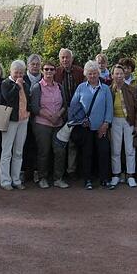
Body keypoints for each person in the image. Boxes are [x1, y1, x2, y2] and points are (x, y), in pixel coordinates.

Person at [69, 61, 112, 190]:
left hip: (101, 127)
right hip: (86, 127)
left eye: (94, 73)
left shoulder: (105, 89)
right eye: (90, 74)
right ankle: (87, 179)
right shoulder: (81, 87)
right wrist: (81, 120)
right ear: (86, 74)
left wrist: (105, 124)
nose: (92, 76)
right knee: (87, 154)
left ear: (99, 74)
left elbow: (109, 108)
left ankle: (104, 179)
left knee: (103, 152)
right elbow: (73, 107)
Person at [29, 59, 68, 189]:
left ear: (55, 71)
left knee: (59, 151)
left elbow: (65, 104)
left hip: (58, 124)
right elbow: (34, 107)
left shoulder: (60, 86)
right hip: (42, 124)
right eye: (46, 69)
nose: (49, 71)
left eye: (51, 69)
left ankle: (58, 178)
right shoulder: (37, 87)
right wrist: (50, 117)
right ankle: (43, 178)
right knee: (44, 152)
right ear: (42, 71)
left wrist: (58, 115)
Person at [0, 60, 31, 190]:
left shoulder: (26, 83)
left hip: (23, 119)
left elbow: (28, 98)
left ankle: (16, 179)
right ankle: (5, 180)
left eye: (21, 73)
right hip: (10, 120)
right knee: (7, 151)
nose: (18, 75)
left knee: (18, 151)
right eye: (16, 72)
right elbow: (8, 97)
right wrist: (17, 86)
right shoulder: (6, 83)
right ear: (10, 72)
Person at [54, 48, 85, 178]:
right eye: (63, 58)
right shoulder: (55, 72)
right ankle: (58, 171)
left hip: (76, 111)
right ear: (60, 59)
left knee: (73, 141)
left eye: (67, 57)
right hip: (60, 111)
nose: (65, 60)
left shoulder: (79, 71)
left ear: (72, 58)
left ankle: (71, 170)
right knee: (60, 141)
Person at [109, 64, 137, 188]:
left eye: (121, 74)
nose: (119, 76)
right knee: (116, 150)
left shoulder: (131, 89)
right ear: (112, 76)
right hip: (115, 121)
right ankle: (116, 175)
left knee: (130, 150)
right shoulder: (109, 90)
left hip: (129, 122)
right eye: (116, 74)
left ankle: (130, 175)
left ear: (124, 75)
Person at [22, 54, 43, 183]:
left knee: (38, 145)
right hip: (24, 117)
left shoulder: (45, 79)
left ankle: (36, 171)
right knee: (24, 144)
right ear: (28, 65)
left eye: (37, 64)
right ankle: (23, 171)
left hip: (40, 118)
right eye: (32, 64)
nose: (35, 66)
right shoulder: (22, 79)